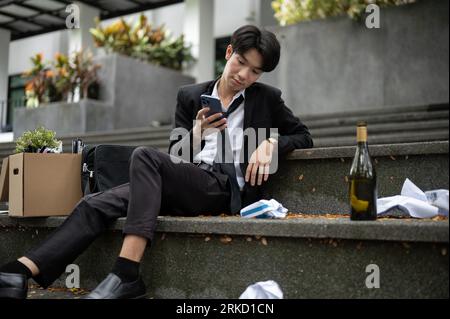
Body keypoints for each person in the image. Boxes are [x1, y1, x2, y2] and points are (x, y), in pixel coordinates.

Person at [0, 25, 313, 299]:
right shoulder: (191, 96)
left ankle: (127, 272)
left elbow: (303, 136)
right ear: (229, 52)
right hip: (186, 177)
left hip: (223, 188)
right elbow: (177, 156)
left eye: (255, 71)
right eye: (241, 63)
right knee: (95, 202)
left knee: (145, 157)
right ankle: (19, 271)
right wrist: (196, 132)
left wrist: (271, 142)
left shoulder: (266, 98)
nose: (244, 75)